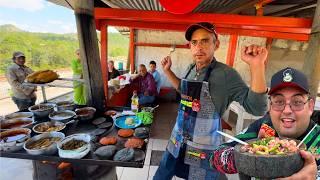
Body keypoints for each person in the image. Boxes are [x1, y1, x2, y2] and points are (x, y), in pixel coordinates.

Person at [154, 22, 268, 180]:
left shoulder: (226, 75)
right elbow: (184, 90)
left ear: (217, 44)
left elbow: (257, 108)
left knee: (199, 176)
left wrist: (257, 66)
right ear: (190, 46)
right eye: (194, 42)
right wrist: (167, 71)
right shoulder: (190, 68)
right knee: (162, 174)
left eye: (205, 41)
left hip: (203, 148)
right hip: (177, 139)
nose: (199, 47)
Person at [209, 67, 319, 179]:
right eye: (279, 101)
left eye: (297, 102)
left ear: (310, 107)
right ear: (270, 106)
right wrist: (250, 154)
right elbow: (214, 158)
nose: (287, 110)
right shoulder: (264, 127)